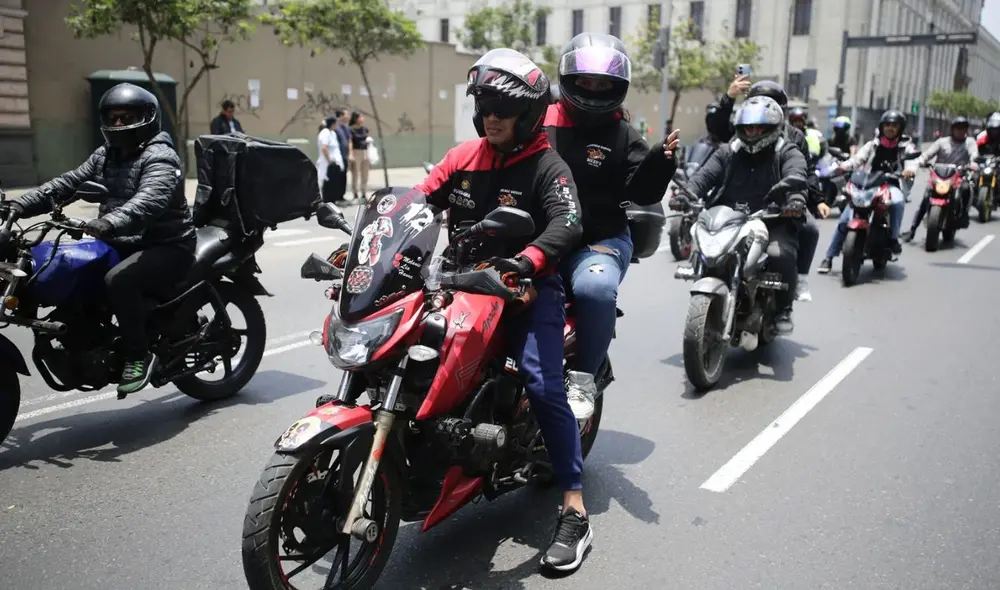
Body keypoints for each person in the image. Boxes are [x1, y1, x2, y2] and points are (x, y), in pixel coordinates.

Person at [415, 48, 591, 572]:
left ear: (530, 113)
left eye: (502, 107)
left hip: (525, 292)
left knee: (541, 382)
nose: (491, 115)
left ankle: (575, 510)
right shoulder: (462, 157)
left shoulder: (546, 165)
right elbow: (417, 204)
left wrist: (527, 261)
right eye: (484, 104)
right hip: (458, 282)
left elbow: (568, 223)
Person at [8, 83, 195, 396]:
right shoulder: (105, 156)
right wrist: (19, 205)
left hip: (165, 244)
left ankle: (138, 354)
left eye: (127, 117)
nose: (119, 124)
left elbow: (150, 199)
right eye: (114, 117)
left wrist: (109, 222)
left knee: (119, 280)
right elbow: (66, 183)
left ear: (147, 118)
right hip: (121, 239)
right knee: (61, 264)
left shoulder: (161, 156)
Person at [542, 32, 679, 423]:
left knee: (596, 287)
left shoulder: (622, 134)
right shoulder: (539, 120)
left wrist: (659, 161)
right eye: (585, 82)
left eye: (603, 84)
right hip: (540, 238)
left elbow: (644, 190)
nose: (593, 90)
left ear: (618, 87)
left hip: (597, 241)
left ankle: (584, 376)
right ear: (568, 80)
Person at [679, 95, 807, 333]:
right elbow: (704, 177)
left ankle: (783, 309)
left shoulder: (786, 150)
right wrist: (686, 195)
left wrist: (795, 199)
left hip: (773, 219)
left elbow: (796, 173)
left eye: (760, 127)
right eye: (748, 127)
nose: (753, 132)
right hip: (728, 218)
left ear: (773, 128)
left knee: (781, 254)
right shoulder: (728, 151)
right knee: (707, 250)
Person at [817, 109, 911, 273]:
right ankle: (828, 257)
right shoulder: (872, 145)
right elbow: (857, 159)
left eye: (894, 125)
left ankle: (894, 238)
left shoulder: (906, 146)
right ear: (882, 127)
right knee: (845, 218)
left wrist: (909, 170)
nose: (890, 128)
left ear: (900, 128)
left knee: (897, 202)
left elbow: (913, 162)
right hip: (868, 184)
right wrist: (843, 167)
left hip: (890, 185)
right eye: (887, 125)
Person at [902, 116, 980, 241]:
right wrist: (919, 162)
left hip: (958, 177)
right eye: (957, 128)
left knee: (967, 188)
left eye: (963, 129)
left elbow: (974, 155)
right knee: (926, 197)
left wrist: (973, 163)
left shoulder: (970, 142)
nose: (960, 131)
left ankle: (963, 215)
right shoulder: (941, 142)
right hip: (939, 176)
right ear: (952, 129)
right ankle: (912, 230)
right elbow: (927, 155)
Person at [316, 116, 344, 201]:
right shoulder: (325, 133)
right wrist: (330, 161)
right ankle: (327, 201)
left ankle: (333, 201)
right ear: (332, 124)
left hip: (335, 164)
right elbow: (324, 148)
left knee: (334, 185)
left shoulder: (333, 133)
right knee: (328, 184)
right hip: (329, 164)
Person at [330, 109, 352, 203]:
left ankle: (341, 196)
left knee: (343, 176)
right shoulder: (335, 128)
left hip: (345, 156)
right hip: (337, 157)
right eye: (346, 115)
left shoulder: (345, 128)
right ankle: (335, 196)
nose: (348, 117)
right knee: (337, 177)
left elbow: (349, 140)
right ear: (340, 116)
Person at [348, 112, 371, 200]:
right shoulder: (350, 130)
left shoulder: (365, 129)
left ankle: (364, 192)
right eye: (361, 117)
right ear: (355, 119)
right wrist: (351, 154)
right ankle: (355, 192)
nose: (363, 119)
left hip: (365, 152)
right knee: (355, 173)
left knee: (365, 173)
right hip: (356, 151)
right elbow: (350, 142)